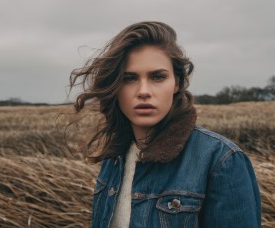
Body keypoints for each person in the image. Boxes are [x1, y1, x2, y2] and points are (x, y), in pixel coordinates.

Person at [69, 21, 261, 228]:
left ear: (176, 83)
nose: (143, 91)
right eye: (129, 78)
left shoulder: (220, 160)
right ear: (115, 87)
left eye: (158, 77)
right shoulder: (115, 157)